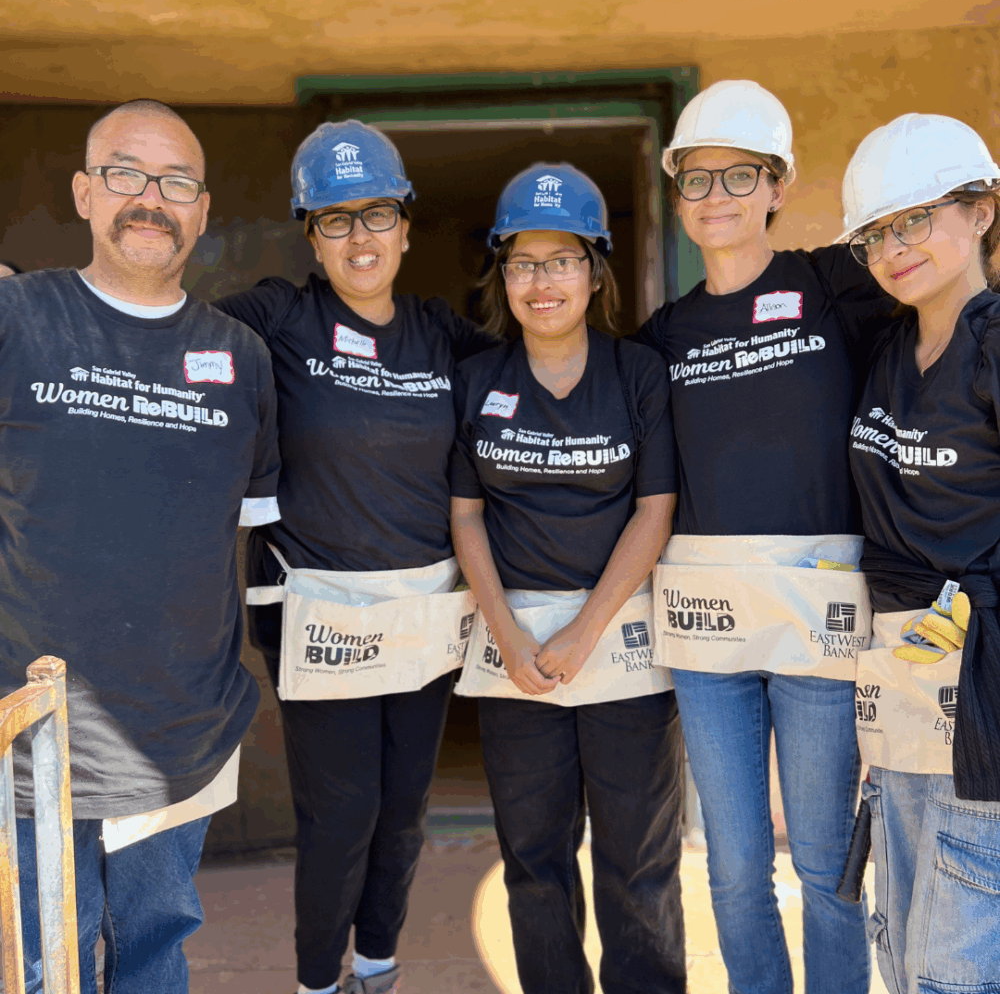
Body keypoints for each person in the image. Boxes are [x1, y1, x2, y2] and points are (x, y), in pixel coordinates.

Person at [0, 99, 280, 994]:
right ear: (85, 193)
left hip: (183, 732)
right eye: (125, 174)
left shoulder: (240, 357)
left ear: (202, 210)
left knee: (156, 954)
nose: (149, 200)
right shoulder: (19, 319)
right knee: (48, 960)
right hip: (38, 736)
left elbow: (244, 535)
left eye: (175, 183)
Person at [214, 119, 493, 994]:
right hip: (319, 613)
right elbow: (165, 338)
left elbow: (547, 383)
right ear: (310, 234)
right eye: (335, 219)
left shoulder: (440, 334)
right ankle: (317, 982)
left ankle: (377, 964)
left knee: (402, 813)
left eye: (376, 214)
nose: (359, 237)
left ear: (407, 226)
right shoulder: (278, 316)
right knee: (340, 817)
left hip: (422, 612)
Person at [632, 80, 896, 994]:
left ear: (778, 185)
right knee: (736, 869)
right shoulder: (663, 337)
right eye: (697, 181)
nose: (717, 198)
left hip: (819, 626)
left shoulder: (835, 289)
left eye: (739, 176)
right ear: (677, 198)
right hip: (708, 634)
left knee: (826, 866)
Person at [450, 162, 685, 994]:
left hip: (620, 646)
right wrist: (509, 636)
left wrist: (585, 630)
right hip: (515, 656)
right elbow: (467, 515)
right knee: (535, 859)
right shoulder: (478, 379)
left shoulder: (636, 374)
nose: (541, 281)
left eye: (561, 260)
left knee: (639, 858)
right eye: (522, 262)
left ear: (595, 272)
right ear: (501, 275)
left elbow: (653, 510)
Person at [842, 112, 1000, 994]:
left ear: (983, 211)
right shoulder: (890, 351)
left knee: (957, 966)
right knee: (901, 956)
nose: (895, 247)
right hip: (901, 692)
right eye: (876, 233)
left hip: (982, 706)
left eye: (918, 218)